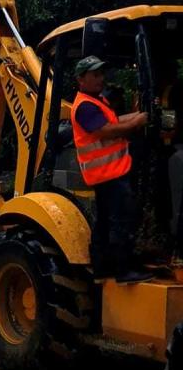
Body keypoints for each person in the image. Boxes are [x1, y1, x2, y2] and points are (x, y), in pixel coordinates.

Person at [71, 56, 151, 284]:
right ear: (81, 79)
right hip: (110, 174)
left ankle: (103, 267)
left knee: (106, 221)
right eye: (95, 75)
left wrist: (137, 116)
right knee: (120, 220)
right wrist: (137, 123)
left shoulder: (96, 102)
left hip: (108, 173)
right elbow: (106, 131)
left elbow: (114, 120)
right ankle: (123, 270)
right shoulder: (85, 106)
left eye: (101, 74)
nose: (100, 79)